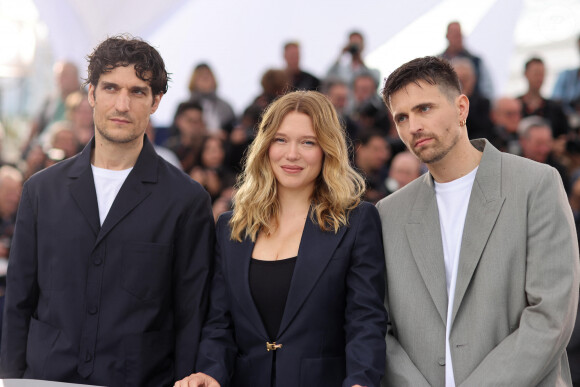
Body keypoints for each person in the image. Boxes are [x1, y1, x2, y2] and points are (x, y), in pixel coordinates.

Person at [0, 35, 215, 387]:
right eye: (111, 88)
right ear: (91, 94)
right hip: (45, 378)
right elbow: (19, 301)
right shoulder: (41, 191)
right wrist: (10, 379)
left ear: (156, 101)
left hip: (142, 378)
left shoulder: (187, 200)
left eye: (137, 91)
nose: (122, 104)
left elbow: (191, 314)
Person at [376, 56, 579, 386]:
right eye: (401, 117)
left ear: (461, 108)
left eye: (424, 108)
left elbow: (551, 315)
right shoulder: (388, 213)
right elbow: (379, 328)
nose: (413, 126)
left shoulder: (536, 185)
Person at [175, 91, 387, 387]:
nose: (292, 154)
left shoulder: (357, 222)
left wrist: (361, 381)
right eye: (281, 139)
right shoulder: (231, 227)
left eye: (308, 142)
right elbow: (220, 325)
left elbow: (365, 321)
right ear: (265, 146)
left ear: (327, 149)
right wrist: (210, 373)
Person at [439, 21, 493, 99]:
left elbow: (488, 90)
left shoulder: (477, 62)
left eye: (458, 35)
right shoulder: (437, 63)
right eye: (453, 35)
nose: (456, 38)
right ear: (447, 36)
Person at [518, 57, 570, 139]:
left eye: (542, 74)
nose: (539, 78)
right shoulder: (515, 107)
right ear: (526, 74)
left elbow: (565, 136)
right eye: (536, 73)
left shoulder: (555, 108)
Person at [187, 63, 236, 135]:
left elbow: (233, 130)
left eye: (207, 77)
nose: (205, 80)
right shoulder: (186, 108)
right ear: (193, 81)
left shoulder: (226, 107)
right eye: (201, 77)